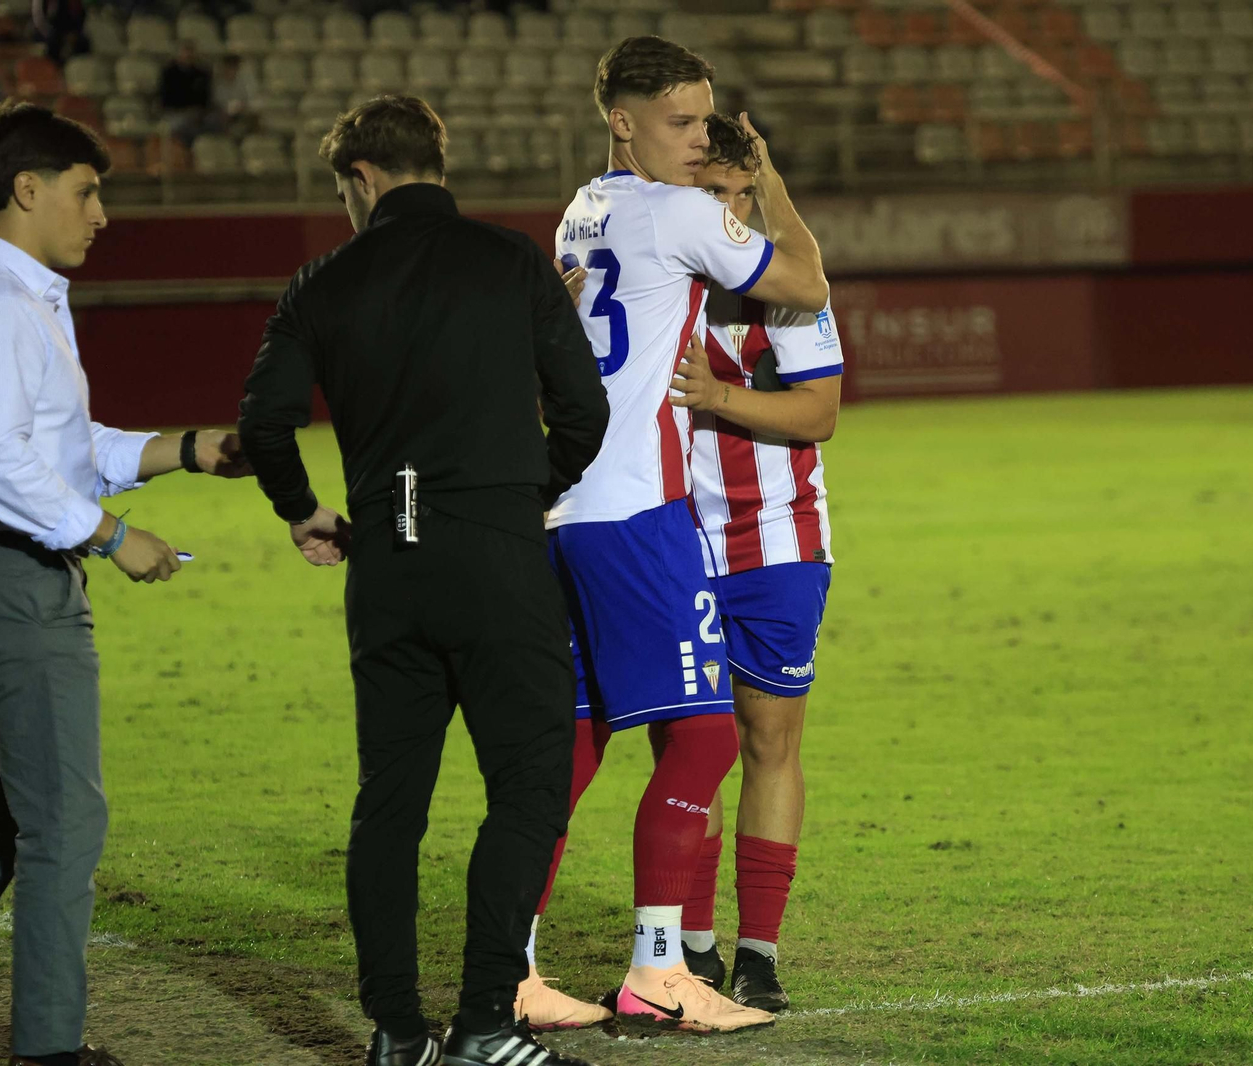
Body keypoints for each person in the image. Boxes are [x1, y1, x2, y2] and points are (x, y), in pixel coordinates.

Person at [236, 94, 608, 1066]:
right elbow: (585, 410)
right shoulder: (511, 260)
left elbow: (265, 420)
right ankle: (485, 1020)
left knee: (389, 804)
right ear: (434, 160)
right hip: (495, 553)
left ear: (359, 179)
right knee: (528, 785)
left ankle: (397, 1031)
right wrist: (529, 489)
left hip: (387, 562)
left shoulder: (322, 280)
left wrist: (301, 509)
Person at [523, 35, 828, 1035]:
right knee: (701, 735)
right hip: (637, 506)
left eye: (707, 121)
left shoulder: (581, 207)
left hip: (561, 502)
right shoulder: (682, 213)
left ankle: (512, 963)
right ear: (622, 118)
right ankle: (659, 966)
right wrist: (765, 181)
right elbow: (802, 285)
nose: (701, 139)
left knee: (570, 743)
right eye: (682, 121)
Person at [0, 100, 251, 1066]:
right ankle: (46, 1052)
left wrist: (194, 451)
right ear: (26, 190)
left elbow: (69, 448)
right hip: (11, 582)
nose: (102, 216)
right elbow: (0, 463)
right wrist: (109, 536)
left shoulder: (7, 295)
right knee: (64, 825)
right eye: (86, 194)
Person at [671, 113, 843, 1013]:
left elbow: (818, 415)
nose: (734, 212)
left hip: (780, 550)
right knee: (693, 751)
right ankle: (690, 949)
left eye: (747, 194)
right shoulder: (662, 283)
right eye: (716, 195)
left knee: (769, 744)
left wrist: (719, 396)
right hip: (675, 545)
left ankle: (758, 954)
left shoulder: (789, 290)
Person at [157, 41, 211, 147]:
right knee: (181, 128)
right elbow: (165, 98)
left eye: (190, 51)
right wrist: (184, 110)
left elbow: (205, 98)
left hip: (197, 115)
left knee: (213, 122)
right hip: (175, 113)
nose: (188, 55)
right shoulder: (169, 72)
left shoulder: (201, 73)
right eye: (185, 51)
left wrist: (198, 111)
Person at [210, 54, 258, 138]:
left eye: (233, 67)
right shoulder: (217, 84)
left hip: (242, 112)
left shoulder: (245, 81)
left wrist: (242, 106)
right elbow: (217, 101)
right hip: (223, 114)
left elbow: (250, 98)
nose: (230, 70)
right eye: (228, 67)